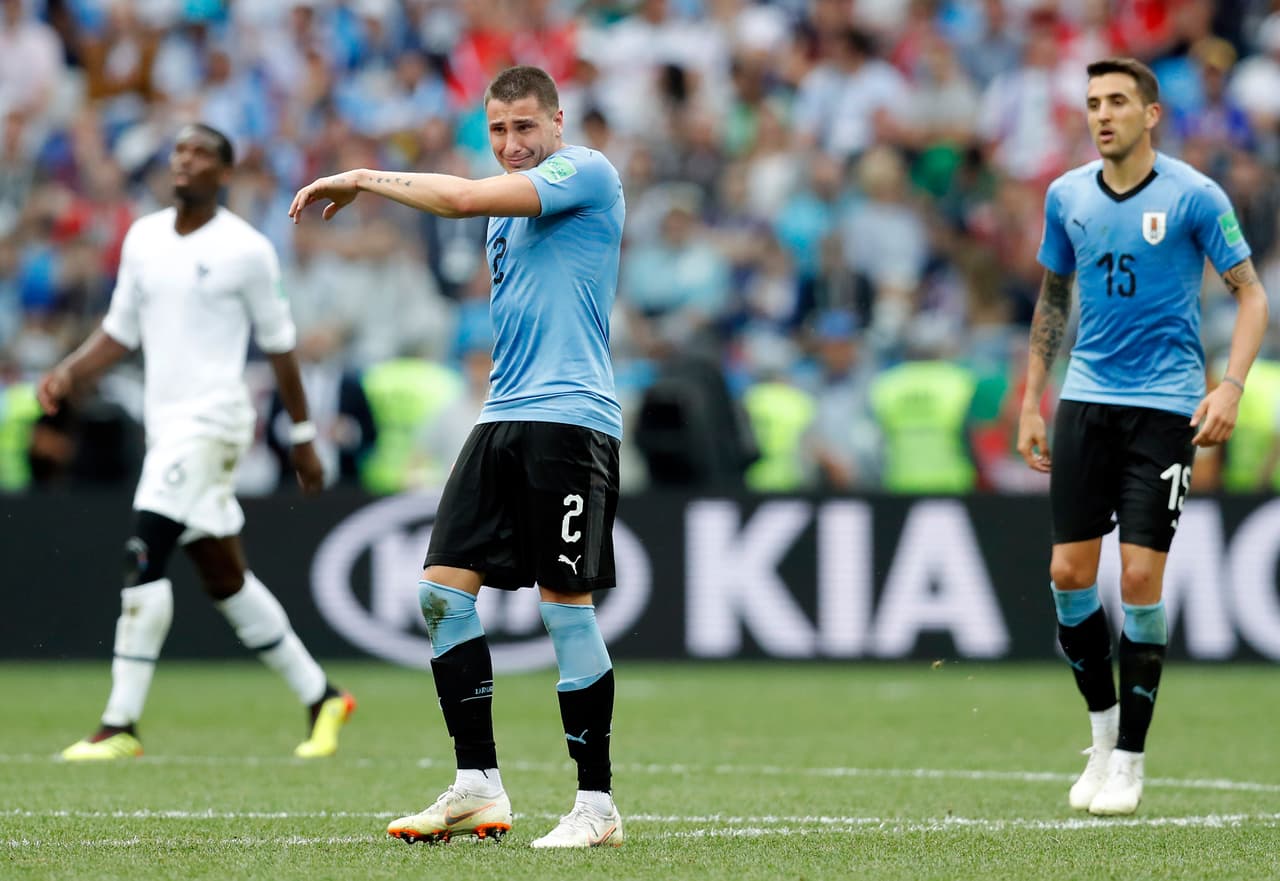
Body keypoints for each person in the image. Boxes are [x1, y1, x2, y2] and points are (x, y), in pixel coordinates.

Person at [290, 65, 625, 849]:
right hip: (503, 415)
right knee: (442, 593)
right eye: (499, 129)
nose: (512, 143)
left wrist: (363, 177)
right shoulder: (505, 214)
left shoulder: (585, 172)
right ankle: (477, 783)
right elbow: (476, 207)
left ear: (557, 122)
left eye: (525, 128)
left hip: (570, 421)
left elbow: (463, 196)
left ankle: (598, 805)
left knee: (561, 606)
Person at [39, 124, 356, 762]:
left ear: (224, 173)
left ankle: (119, 721)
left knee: (143, 552)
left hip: (214, 421)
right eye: (178, 150)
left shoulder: (247, 249)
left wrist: (300, 435)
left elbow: (280, 344)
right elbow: (121, 328)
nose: (185, 161)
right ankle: (322, 696)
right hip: (167, 425)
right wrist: (71, 370)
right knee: (223, 575)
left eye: (201, 153)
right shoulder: (144, 238)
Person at [1018, 58, 1269, 816]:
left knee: (1136, 581)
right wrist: (1033, 399)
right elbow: (1054, 296)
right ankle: (1100, 736)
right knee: (1067, 574)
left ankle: (1130, 756)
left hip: (1163, 408)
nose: (1103, 114)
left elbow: (1250, 294)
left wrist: (1230, 385)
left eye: (1118, 101)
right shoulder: (1067, 197)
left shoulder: (1195, 196)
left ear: (1151, 114)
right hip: (1085, 400)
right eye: (1093, 102)